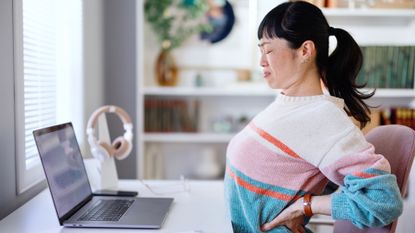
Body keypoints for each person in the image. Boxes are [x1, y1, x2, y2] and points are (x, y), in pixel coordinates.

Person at [224, 1, 403, 233]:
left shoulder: (322, 117)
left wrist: (306, 206)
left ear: (305, 51)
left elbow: (384, 201)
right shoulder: (290, 105)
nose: (261, 61)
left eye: (268, 50)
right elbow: (316, 172)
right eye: (260, 51)